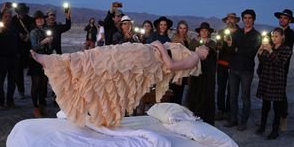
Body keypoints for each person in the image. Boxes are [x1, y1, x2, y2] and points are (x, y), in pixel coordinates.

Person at [30, 40, 208, 127]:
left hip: (146, 58)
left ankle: (55, 61)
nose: (203, 48)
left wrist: (160, 46)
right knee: (103, 55)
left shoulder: (194, 59)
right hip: (144, 53)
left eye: (206, 49)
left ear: (205, 55)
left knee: (105, 62)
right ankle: (58, 61)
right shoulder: (190, 52)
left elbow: (171, 65)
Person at [224, 9, 261, 131]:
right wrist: (230, 45)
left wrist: (236, 49)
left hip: (246, 70)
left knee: (245, 97)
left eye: (249, 18)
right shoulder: (236, 33)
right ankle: (233, 120)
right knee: (232, 96)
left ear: (253, 20)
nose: (247, 20)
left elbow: (251, 53)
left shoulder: (257, 35)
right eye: (245, 18)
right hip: (234, 68)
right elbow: (230, 52)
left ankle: (243, 122)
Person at [255, 28, 292, 140]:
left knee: (277, 107)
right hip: (266, 78)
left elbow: (280, 63)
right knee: (265, 105)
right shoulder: (268, 47)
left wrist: (270, 51)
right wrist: (261, 51)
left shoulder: (286, 49)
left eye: (276, 36)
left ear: (282, 37)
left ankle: (275, 130)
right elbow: (262, 61)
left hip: (277, 80)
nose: (273, 38)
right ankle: (262, 126)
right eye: (272, 36)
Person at [186, 22, 217, 125]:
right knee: (195, 91)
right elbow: (189, 54)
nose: (204, 32)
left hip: (208, 73)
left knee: (207, 92)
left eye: (206, 30)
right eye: (202, 30)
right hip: (196, 72)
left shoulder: (212, 43)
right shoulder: (194, 42)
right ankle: (195, 113)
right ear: (199, 32)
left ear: (208, 32)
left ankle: (206, 116)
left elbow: (213, 57)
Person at [274, 9, 294, 131]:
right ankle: (272, 118)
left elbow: (284, 49)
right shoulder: (274, 32)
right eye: (281, 17)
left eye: (285, 18)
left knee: (281, 92)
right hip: (271, 66)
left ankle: (284, 117)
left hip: (282, 66)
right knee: (271, 92)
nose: (282, 19)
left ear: (289, 21)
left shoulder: (291, 34)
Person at [215, 13, 241, 121]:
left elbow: (239, 50)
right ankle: (221, 110)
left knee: (232, 90)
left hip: (235, 65)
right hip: (222, 64)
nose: (229, 21)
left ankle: (229, 111)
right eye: (228, 19)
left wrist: (232, 46)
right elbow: (219, 48)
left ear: (236, 20)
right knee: (221, 88)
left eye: (232, 19)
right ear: (225, 21)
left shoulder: (241, 33)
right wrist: (220, 45)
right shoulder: (221, 32)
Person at [0, 10, 20, 108]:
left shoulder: (14, 29)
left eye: (9, 16)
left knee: (12, 82)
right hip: (2, 59)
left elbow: (18, 43)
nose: (8, 18)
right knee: (0, 82)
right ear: (2, 18)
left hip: (13, 59)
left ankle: (10, 101)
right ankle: (0, 102)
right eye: (5, 16)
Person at [29, 10, 51, 117]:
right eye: (38, 19)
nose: (40, 20)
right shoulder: (33, 32)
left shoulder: (47, 30)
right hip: (36, 60)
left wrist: (50, 42)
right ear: (35, 21)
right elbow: (34, 47)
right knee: (36, 85)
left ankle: (42, 106)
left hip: (45, 60)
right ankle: (35, 107)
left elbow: (49, 47)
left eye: (41, 18)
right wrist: (43, 42)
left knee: (43, 85)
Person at [12, 3, 34, 99]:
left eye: (24, 12)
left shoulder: (30, 19)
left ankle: (36, 90)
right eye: (21, 12)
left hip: (29, 48)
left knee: (34, 69)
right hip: (18, 48)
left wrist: (29, 36)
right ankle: (21, 91)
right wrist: (18, 34)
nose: (23, 14)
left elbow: (33, 29)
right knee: (18, 71)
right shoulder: (13, 20)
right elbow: (11, 30)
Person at [170, 20, 192, 105]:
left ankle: (179, 108)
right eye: (181, 28)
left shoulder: (188, 39)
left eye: (184, 28)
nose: (182, 30)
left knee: (182, 90)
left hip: (185, 68)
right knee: (175, 90)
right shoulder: (174, 38)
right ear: (178, 29)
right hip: (177, 68)